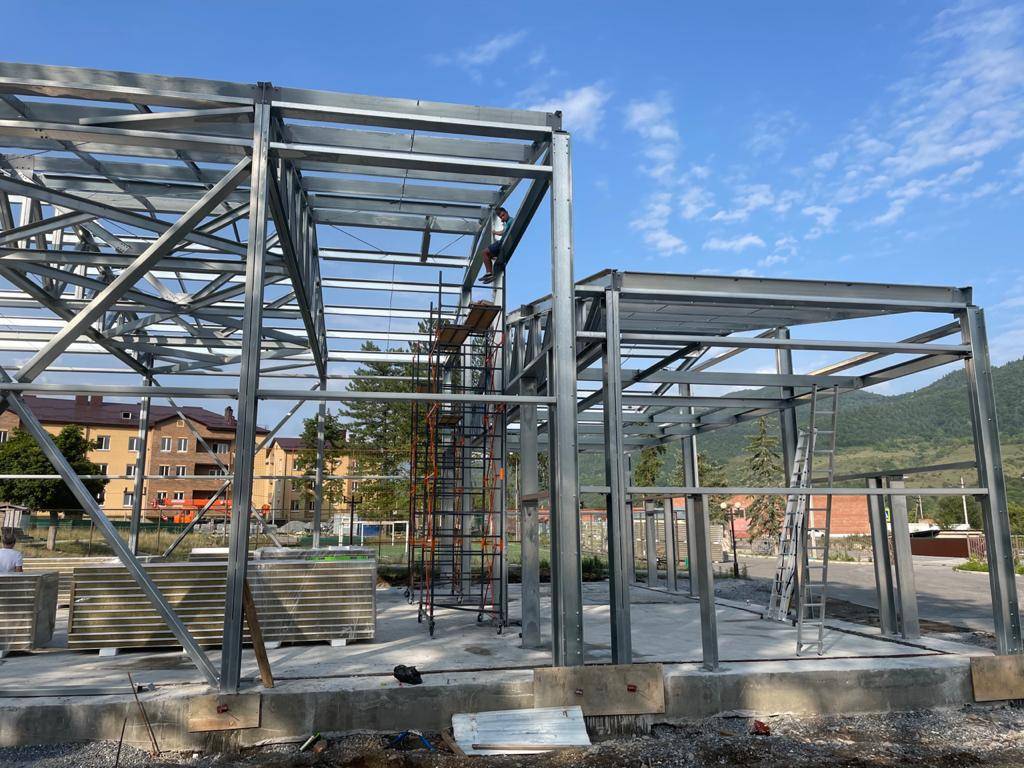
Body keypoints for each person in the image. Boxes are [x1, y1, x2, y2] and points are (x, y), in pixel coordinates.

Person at [481, 206, 511, 284]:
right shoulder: (507, 223)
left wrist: (495, 232)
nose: (502, 218)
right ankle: (489, 273)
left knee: (484, 252)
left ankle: (489, 273)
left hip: (501, 244)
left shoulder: (511, 221)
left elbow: (503, 232)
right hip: (502, 245)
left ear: (507, 213)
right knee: (487, 255)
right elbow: (504, 231)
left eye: (503, 215)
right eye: (501, 217)